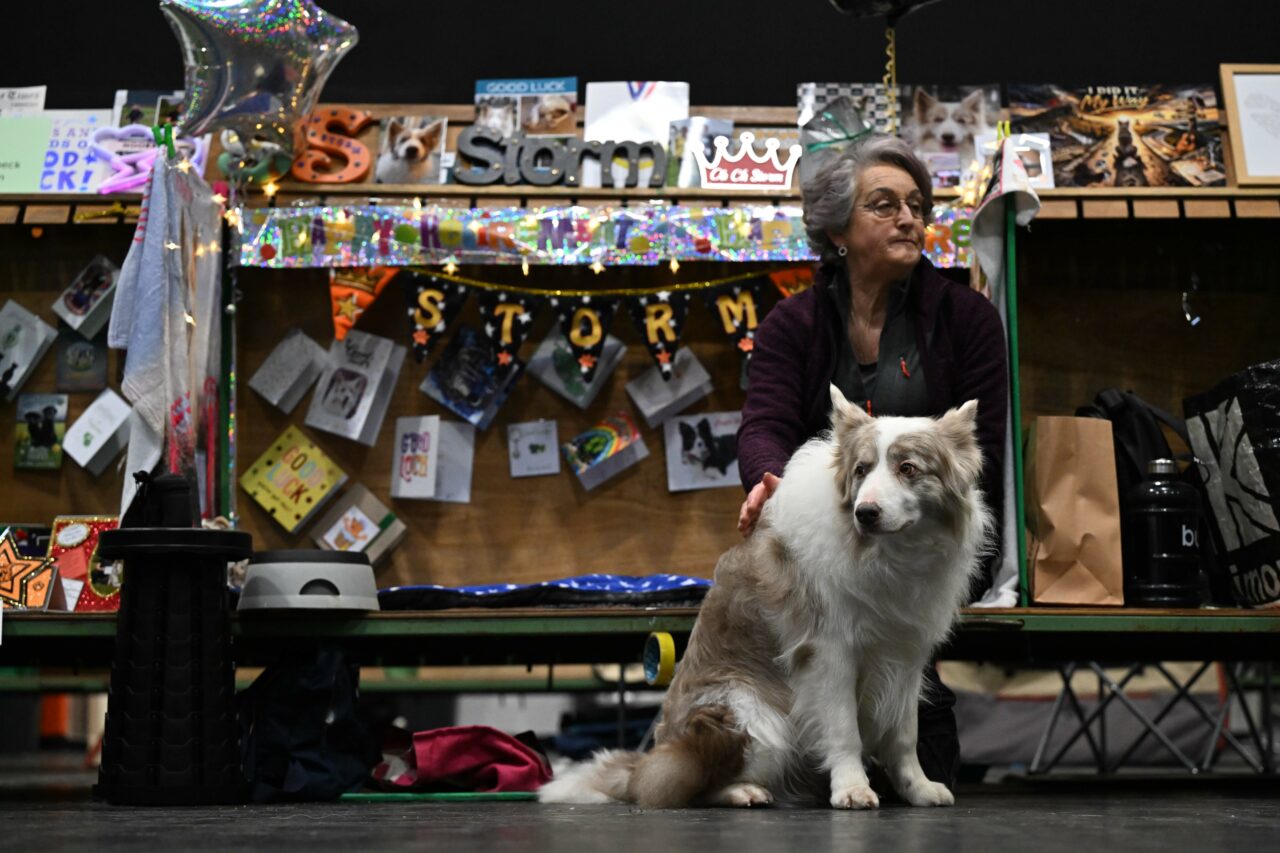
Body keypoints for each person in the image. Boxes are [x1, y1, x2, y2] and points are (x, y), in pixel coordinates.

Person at [735, 135, 1008, 790]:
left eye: (917, 205)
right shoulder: (790, 324)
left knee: (924, 780)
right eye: (884, 205)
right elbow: (764, 426)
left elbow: (987, 453)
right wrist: (769, 479)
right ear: (837, 229)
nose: (908, 218)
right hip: (833, 564)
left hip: (919, 565)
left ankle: (899, 744)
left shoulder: (967, 317)